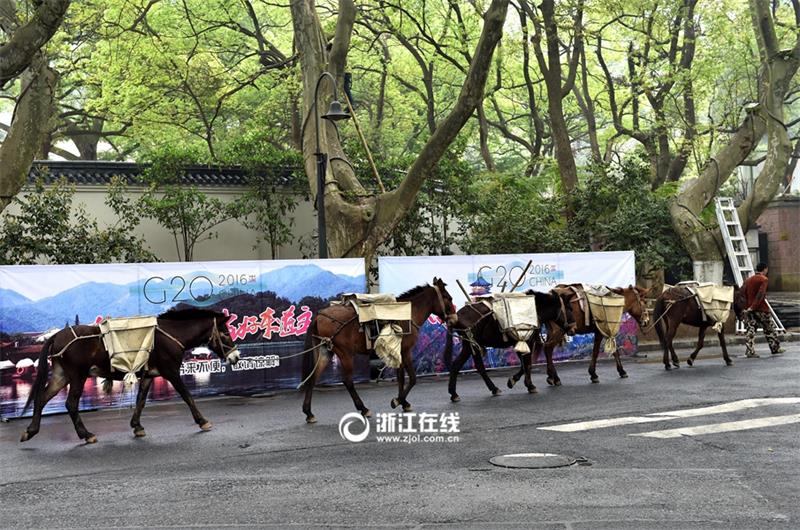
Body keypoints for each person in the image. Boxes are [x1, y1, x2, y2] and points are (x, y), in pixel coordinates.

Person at [741, 262, 784, 358]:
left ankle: (750, 351)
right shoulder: (764, 279)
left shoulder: (748, 280)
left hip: (749, 309)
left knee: (750, 330)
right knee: (770, 328)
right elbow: (760, 294)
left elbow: (743, 294)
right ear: (765, 269)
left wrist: (747, 307)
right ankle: (775, 348)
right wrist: (754, 306)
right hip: (761, 309)